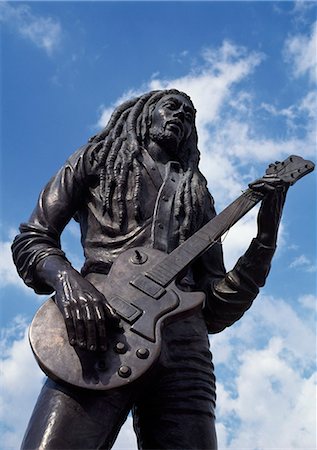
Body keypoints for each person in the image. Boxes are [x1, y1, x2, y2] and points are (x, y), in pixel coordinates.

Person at [12, 89, 287, 449]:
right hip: (98, 329)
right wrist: (68, 283)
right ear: (143, 113)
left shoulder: (197, 195)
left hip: (186, 348)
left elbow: (217, 306)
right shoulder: (95, 160)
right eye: (172, 108)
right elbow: (34, 237)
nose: (181, 117)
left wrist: (265, 237)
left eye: (189, 116)